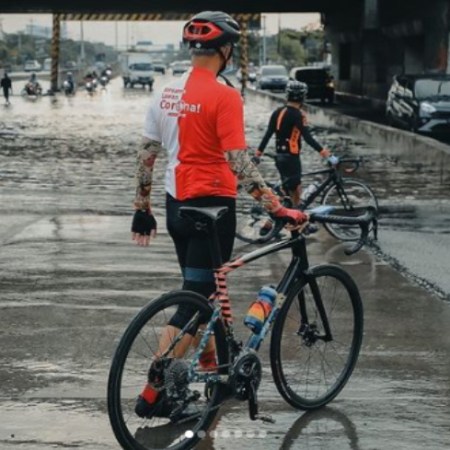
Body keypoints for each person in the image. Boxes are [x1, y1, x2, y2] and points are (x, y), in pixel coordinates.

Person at [130, 11, 308, 419]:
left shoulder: (164, 93)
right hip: (213, 210)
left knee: (202, 295)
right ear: (225, 50)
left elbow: (146, 154)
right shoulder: (225, 96)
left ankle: (214, 374)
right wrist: (278, 208)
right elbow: (239, 163)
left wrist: (142, 209)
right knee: (193, 304)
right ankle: (153, 393)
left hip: (176, 207)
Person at [253, 80, 339, 207]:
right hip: (291, 157)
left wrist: (258, 154)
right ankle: (295, 217)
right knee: (296, 192)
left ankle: (281, 215)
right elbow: (308, 138)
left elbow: (267, 135)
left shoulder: (277, 112)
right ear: (303, 97)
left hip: (279, 156)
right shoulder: (298, 115)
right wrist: (326, 154)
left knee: (286, 191)